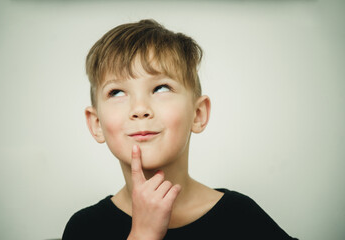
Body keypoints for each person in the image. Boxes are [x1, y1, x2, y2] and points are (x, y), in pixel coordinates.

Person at [62, 19, 297, 240]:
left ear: (198, 114)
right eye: (117, 92)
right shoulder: (84, 228)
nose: (140, 109)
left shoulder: (241, 217)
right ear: (96, 124)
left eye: (161, 88)